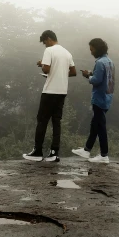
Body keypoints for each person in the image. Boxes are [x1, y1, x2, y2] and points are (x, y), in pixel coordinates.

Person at [23, 30, 76, 162]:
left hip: (50, 91)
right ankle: (54, 153)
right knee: (56, 122)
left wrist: (41, 64)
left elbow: (46, 69)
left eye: (45, 42)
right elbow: (73, 72)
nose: (45, 45)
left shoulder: (50, 51)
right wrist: (60, 73)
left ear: (49, 39)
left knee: (42, 120)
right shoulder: (67, 52)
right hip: (62, 92)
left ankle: (38, 152)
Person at [72, 38, 115, 164]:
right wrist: (91, 73)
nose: (91, 52)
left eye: (92, 49)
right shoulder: (109, 62)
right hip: (107, 97)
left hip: (99, 98)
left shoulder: (100, 62)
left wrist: (88, 76)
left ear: (98, 48)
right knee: (95, 124)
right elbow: (105, 77)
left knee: (100, 126)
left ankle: (104, 155)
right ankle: (87, 150)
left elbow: (96, 80)